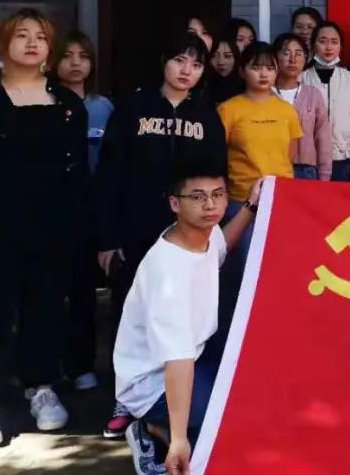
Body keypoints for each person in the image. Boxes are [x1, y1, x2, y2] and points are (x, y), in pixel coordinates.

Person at [93, 32, 227, 440]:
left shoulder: (206, 115)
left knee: (183, 317)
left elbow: (216, 175)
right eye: (179, 61)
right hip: (135, 228)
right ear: (164, 61)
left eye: (196, 64)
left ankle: (173, 400)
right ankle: (128, 399)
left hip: (186, 234)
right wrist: (107, 236)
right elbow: (110, 172)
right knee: (131, 312)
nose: (187, 71)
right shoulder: (134, 108)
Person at [114, 165, 259, 475]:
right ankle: (153, 430)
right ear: (175, 203)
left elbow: (221, 248)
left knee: (255, 379)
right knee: (228, 419)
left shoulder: (202, 233)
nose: (210, 205)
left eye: (218, 195)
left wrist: (249, 205)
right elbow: (177, 362)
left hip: (197, 352)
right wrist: (179, 441)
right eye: (197, 197)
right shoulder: (169, 272)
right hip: (154, 384)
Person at [0, 9, 88, 442]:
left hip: (51, 224)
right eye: (22, 35)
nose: (32, 43)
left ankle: (41, 387)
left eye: (41, 37)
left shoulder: (67, 104)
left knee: (45, 306)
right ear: (4, 43)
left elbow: (77, 170)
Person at [55, 30, 115, 393]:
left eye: (83, 56)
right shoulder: (43, 102)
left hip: (91, 209)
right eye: (67, 55)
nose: (75, 63)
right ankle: (43, 368)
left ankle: (81, 364)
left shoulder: (103, 107)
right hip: (51, 208)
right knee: (47, 291)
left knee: (83, 291)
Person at [217, 41, 303, 202]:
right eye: (256, 68)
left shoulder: (287, 110)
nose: (264, 74)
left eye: (270, 68)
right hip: (241, 197)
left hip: (280, 194)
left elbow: (290, 155)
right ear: (242, 71)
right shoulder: (227, 109)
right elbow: (218, 156)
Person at [302, 21, 350, 179]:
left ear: (340, 47)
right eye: (323, 41)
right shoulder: (302, 78)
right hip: (308, 161)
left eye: (334, 42)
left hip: (342, 160)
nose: (328, 47)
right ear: (313, 45)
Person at [273, 32, 332, 180]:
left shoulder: (313, 94)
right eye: (286, 53)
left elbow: (322, 138)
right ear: (275, 58)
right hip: (272, 168)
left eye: (298, 54)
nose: (293, 59)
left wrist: (324, 174)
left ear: (305, 59)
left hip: (306, 171)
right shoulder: (266, 94)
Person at [206, 33, 245, 105]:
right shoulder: (203, 87)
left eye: (227, 56)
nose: (221, 62)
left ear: (236, 57)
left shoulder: (246, 87)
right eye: (214, 56)